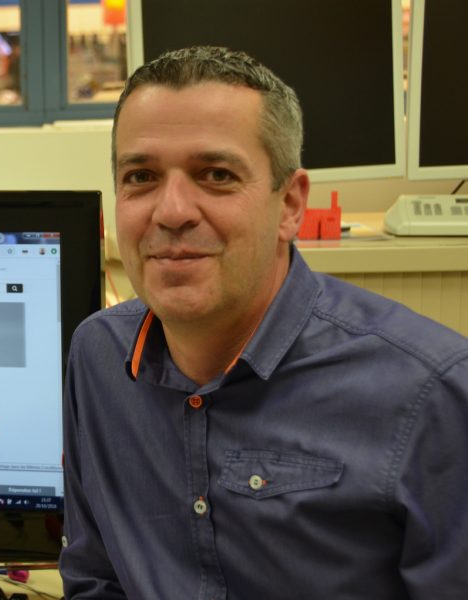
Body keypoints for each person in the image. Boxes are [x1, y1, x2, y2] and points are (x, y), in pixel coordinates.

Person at [59, 46, 468, 599]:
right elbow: (95, 577)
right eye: (141, 176)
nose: (172, 210)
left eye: (216, 175)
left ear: (291, 204)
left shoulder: (430, 394)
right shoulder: (98, 359)